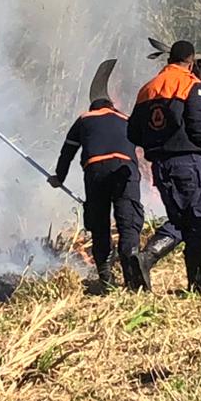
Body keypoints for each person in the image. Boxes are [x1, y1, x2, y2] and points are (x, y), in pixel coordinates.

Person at [126, 40, 201, 293]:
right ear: (191, 61)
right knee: (200, 221)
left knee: (180, 220)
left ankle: (149, 260)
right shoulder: (192, 85)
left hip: (161, 166)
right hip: (189, 164)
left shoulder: (146, 89)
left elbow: (133, 134)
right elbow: (199, 129)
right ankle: (192, 281)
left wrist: (159, 141)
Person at [49, 97, 144, 290]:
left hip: (96, 171)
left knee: (99, 224)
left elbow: (67, 152)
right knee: (128, 224)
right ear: (111, 108)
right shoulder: (125, 118)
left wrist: (59, 178)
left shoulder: (85, 118)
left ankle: (106, 280)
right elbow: (145, 144)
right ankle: (133, 281)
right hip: (125, 169)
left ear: (93, 108)